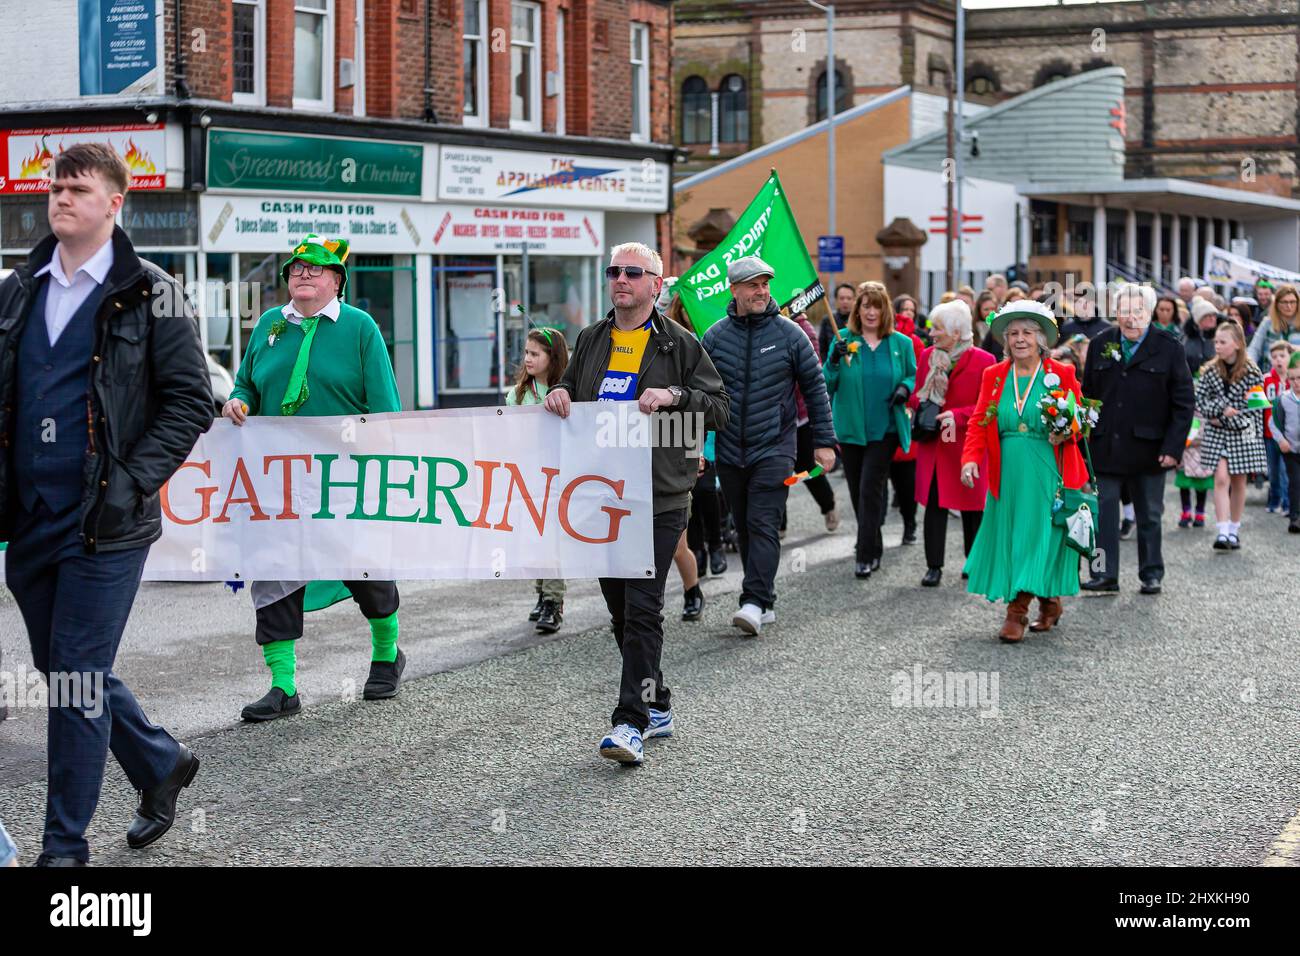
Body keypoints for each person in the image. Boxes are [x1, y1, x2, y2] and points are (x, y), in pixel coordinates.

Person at [0, 143, 212, 864]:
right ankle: (159, 762)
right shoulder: (18, 289)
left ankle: (63, 852)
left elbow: (191, 402)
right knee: (65, 670)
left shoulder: (157, 291)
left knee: (75, 680)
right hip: (29, 521)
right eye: (55, 187)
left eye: (78, 189)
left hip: (106, 526)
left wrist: (129, 483)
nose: (60, 198)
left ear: (115, 202)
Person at [546, 241, 729, 764]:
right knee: (622, 612)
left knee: (645, 606)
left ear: (656, 283)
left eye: (632, 272)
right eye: (613, 271)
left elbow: (719, 409)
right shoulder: (591, 339)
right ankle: (659, 702)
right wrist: (559, 392)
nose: (620, 279)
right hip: (602, 495)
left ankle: (629, 723)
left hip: (660, 495)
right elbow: (571, 388)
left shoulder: (680, 344)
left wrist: (675, 397)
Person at [224, 236, 405, 722]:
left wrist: (382, 464)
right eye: (296, 268)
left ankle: (387, 654)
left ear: (337, 280)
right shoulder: (268, 325)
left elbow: (385, 405)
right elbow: (247, 384)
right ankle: (283, 686)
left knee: (363, 567)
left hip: (345, 478)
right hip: (278, 479)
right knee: (276, 574)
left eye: (316, 268)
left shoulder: (360, 327)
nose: (304, 274)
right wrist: (238, 401)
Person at [703, 256, 835, 633]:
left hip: (775, 446)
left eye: (765, 284)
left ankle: (753, 600)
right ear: (735, 290)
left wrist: (824, 442)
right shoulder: (714, 337)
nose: (761, 291)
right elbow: (700, 394)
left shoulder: (790, 334)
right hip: (729, 448)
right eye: (753, 285)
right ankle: (766, 598)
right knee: (744, 525)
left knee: (762, 523)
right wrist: (694, 448)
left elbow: (815, 388)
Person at [960, 301, 1089, 641]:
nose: (1020, 339)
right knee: (1016, 538)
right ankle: (1049, 600)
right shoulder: (993, 376)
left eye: (1027, 333)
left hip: (1048, 468)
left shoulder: (1060, 373)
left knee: (1034, 536)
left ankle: (1016, 612)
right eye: (1013, 333)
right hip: (1007, 472)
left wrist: (1067, 430)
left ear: (1040, 339)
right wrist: (970, 458)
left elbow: (1081, 422)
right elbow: (978, 421)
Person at [1081, 284, 1195, 595]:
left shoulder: (1169, 346)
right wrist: (1083, 445)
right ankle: (1103, 574)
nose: (1131, 319)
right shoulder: (1100, 344)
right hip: (1106, 446)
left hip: (1151, 449)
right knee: (1103, 514)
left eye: (1137, 312)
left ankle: (1151, 573)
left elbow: (1184, 403)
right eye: (1124, 312)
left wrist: (1173, 448)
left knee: (1150, 515)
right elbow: (1087, 395)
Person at [824, 282, 917, 579]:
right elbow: (826, 383)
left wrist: (905, 388)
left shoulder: (901, 344)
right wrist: (834, 360)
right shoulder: (843, 340)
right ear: (858, 309)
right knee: (857, 492)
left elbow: (912, 375)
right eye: (866, 306)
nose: (871, 312)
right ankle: (873, 542)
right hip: (851, 429)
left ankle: (864, 554)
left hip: (885, 428)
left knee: (869, 489)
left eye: (877, 305)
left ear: (885, 309)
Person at [909, 299, 995, 587]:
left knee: (972, 508)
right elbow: (916, 392)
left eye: (939, 330)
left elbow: (988, 407)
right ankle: (934, 566)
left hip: (966, 445)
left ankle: (974, 562)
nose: (932, 334)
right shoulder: (927, 357)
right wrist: (921, 407)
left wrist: (956, 415)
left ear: (957, 333)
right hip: (934, 443)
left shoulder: (984, 361)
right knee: (934, 506)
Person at [507, 326, 571, 633]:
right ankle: (542, 592)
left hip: (559, 477)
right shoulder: (516, 394)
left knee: (553, 539)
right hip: (527, 477)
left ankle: (553, 602)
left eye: (535, 353)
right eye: (526, 353)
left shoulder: (567, 393)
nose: (527, 359)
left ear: (552, 357)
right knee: (536, 537)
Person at [1195, 321, 1268, 551]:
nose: (1217, 346)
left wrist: (1225, 417)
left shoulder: (1253, 372)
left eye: (1222, 342)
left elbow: (1256, 409)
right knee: (1221, 478)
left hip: (1244, 433)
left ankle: (1234, 530)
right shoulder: (1208, 371)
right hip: (1218, 435)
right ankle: (1223, 531)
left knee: (1239, 481)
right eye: (1215, 341)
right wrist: (1221, 409)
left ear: (1236, 344)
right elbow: (1200, 402)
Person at [784, 310, 839, 533]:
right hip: (773, 420)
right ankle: (778, 524)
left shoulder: (803, 328)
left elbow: (812, 375)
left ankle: (828, 503)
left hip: (800, 416)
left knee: (807, 468)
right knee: (777, 472)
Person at [1268, 352, 1300, 533]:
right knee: (1294, 482)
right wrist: (1281, 440)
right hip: (1292, 450)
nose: (1296, 382)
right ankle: (1294, 517)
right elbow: (1272, 423)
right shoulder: (1284, 399)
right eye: (1293, 378)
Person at [1261, 340, 1294, 515]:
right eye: (1274, 357)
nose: (1278, 360)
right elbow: (1255, 407)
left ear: (1290, 357)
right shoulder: (1266, 379)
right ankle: (1274, 500)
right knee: (1273, 470)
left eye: (1282, 356)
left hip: (1289, 436)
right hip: (1269, 434)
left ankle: (1288, 504)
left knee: (1285, 470)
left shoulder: (1294, 380)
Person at [1248, 282, 1300, 367]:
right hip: (1270, 375)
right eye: (1284, 302)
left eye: (1293, 302)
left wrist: (1295, 348)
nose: (1289, 306)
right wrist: (1250, 367)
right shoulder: (1267, 323)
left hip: (1296, 375)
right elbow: (1254, 349)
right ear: (1277, 304)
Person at [819, 282, 857, 362]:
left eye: (849, 298)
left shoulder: (859, 320)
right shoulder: (828, 320)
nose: (845, 301)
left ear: (854, 300)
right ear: (836, 300)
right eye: (842, 298)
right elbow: (822, 348)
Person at [1184, 296, 1220, 374]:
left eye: (1214, 315)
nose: (1212, 318)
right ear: (1199, 318)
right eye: (1208, 315)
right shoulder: (1186, 337)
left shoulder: (1218, 337)